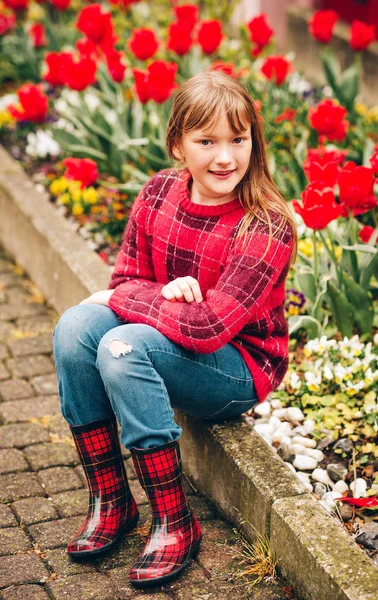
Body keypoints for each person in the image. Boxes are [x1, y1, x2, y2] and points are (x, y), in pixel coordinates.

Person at [52, 69, 298, 588]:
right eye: (206, 141)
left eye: (238, 139)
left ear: (254, 140)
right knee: (75, 327)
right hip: (168, 341)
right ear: (178, 145)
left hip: (238, 369)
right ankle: (112, 500)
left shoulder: (265, 224)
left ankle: (174, 521)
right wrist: (158, 294)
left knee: (120, 344)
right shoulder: (160, 193)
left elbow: (209, 326)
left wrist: (128, 300)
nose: (225, 157)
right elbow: (130, 278)